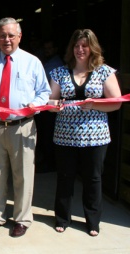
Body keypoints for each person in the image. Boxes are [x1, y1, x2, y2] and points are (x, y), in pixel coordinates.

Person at [0, 17, 51, 237]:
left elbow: (44, 91)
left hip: (22, 127)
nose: (7, 39)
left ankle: (22, 218)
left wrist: (37, 104)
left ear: (19, 36)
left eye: (11, 35)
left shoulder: (32, 62)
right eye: (2, 35)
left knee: (23, 175)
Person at [48, 29, 122, 237]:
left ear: (93, 48)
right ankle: (62, 218)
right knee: (64, 178)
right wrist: (56, 105)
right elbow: (50, 100)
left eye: (84, 46)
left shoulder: (104, 71)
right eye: (76, 46)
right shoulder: (59, 72)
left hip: (96, 137)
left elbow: (116, 103)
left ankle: (93, 222)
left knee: (93, 179)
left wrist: (95, 104)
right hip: (64, 135)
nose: (80, 50)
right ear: (71, 48)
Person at [34, 39, 64, 173]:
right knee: (44, 134)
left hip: (51, 105)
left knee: (48, 134)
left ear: (55, 49)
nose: (47, 51)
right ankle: (46, 160)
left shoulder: (57, 64)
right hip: (43, 105)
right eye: (45, 49)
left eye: (50, 48)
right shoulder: (45, 62)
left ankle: (50, 162)